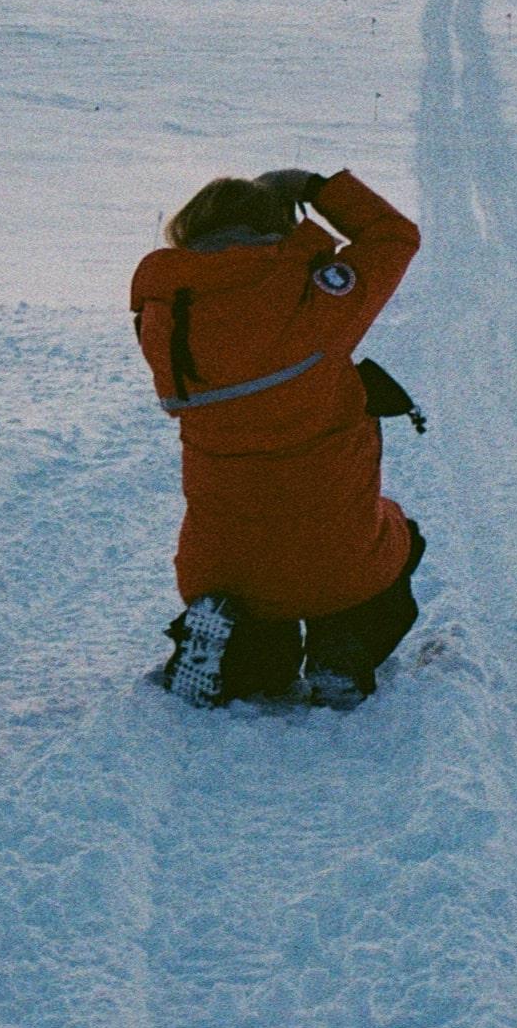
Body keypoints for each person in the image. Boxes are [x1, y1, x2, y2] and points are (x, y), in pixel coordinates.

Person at [131, 166, 424, 709]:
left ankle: (233, 651)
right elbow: (393, 235)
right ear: (276, 227)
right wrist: (314, 188)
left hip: (223, 566)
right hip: (339, 551)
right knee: (399, 541)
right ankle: (344, 647)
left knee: (259, 632)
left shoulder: (167, 315)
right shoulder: (313, 302)